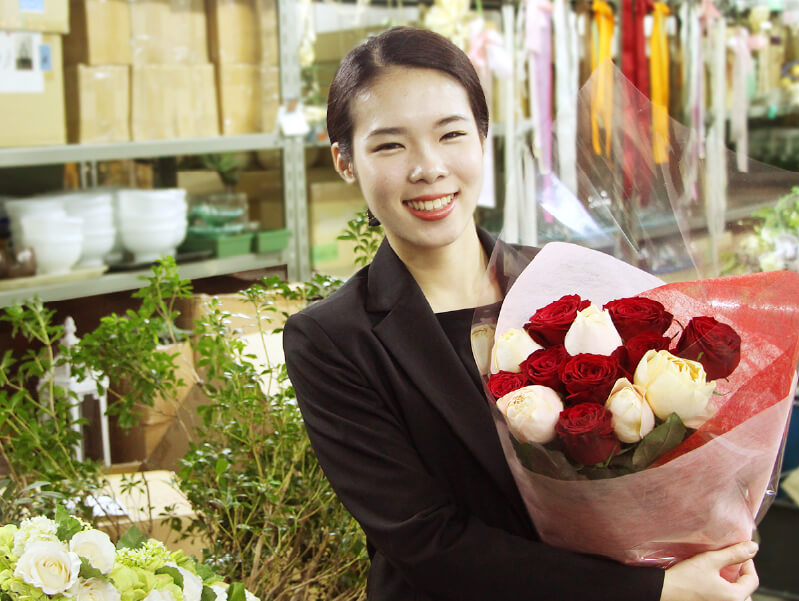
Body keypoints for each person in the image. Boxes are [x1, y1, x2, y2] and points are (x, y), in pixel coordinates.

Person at [282, 25, 760, 601]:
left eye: (451, 134)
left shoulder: (571, 286)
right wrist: (653, 591)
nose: (428, 167)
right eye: (389, 145)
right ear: (344, 161)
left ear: (484, 139)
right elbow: (427, 541)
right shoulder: (333, 339)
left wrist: (705, 549)